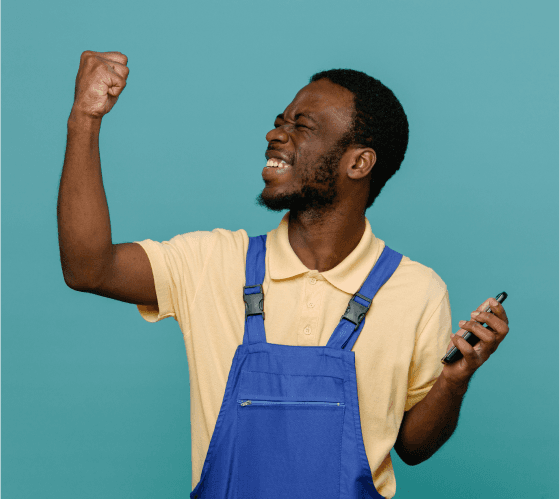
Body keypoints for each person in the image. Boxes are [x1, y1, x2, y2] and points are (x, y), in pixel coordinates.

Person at [58, 51, 510, 499]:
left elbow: (412, 445)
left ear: (359, 163)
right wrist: (85, 118)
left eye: (302, 126)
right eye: (281, 121)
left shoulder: (417, 291)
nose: (276, 134)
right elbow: (88, 268)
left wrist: (455, 379)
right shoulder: (211, 262)